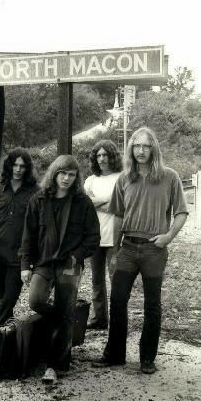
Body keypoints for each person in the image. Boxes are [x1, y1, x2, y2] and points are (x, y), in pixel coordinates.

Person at [93, 127, 188, 374]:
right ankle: (115, 355)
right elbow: (117, 216)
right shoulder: (125, 179)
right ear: (131, 150)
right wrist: (114, 251)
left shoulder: (170, 177)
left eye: (146, 146)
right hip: (127, 247)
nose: (141, 151)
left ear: (153, 148)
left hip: (153, 250)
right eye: (137, 146)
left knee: (152, 305)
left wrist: (168, 236)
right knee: (117, 300)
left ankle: (147, 358)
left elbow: (180, 212)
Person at [20, 155, 100, 384]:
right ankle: (65, 318)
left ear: (76, 178)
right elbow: (28, 236)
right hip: (44, 263)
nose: (66, 178)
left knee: (65, 306)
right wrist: (26, 266)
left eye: (71, 174)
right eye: (62, 173)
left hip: (69, 264)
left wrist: (77, 256)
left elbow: (93, 237)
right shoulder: (39, 200)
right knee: (36, 301)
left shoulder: (82, 202)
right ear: (54, 173)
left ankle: (54, 365)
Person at [0, 148, 39, 345]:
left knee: (9, 298)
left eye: (23, 166)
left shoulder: (34, 193)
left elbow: (37, 226)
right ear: (9, 166)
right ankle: (2, 337)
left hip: (19, 256)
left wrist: (31, 258)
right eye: (15, 165)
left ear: (27, 169)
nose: (18, 169)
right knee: (2, 299)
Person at [84, 140, 123, 329]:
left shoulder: (121, 178)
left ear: (112, 156)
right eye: (98, 156)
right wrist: (110, 202)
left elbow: (124, 208)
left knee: (116, 280)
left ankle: (116, 319)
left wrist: (96, 201)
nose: (101, 159)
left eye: (105, 155)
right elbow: (85, 206)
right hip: (95, 238)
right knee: (97, 281)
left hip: (115, 237)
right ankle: (100, 319)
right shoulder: (90, 180)